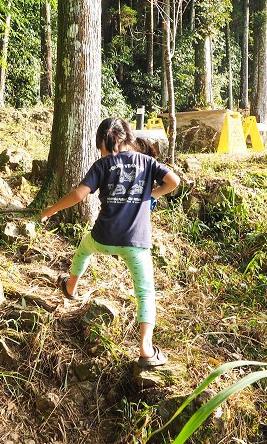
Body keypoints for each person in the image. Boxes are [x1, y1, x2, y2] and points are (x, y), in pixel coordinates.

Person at [40, 117, 180, 367]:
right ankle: (146, 349)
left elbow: (79, 194)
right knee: (145, 292)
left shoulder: (102, 165)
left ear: (102, 144)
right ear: (128, 139)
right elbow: (174, 182)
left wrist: (51, 210)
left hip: (102, 238)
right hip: (136, 244)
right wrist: (150, 196)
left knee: (83, 249)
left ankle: (70, 288)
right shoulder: (148, 162)